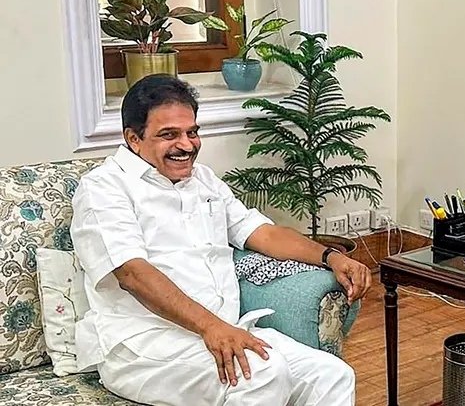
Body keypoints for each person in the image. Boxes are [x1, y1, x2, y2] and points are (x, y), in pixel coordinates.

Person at [70, 75, 371, 406]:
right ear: (133, 138)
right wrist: (211, 327)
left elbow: (261, 232)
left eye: (192, 132)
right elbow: (132, 274)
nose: (186, 145)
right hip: (142, 346)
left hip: (221, 332)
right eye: (168, 135)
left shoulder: (204, 180)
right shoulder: (103, 188)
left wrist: (331, 257)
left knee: (332, 374)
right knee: (262, 375)